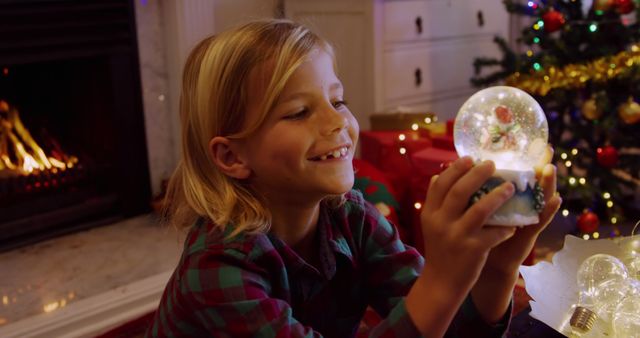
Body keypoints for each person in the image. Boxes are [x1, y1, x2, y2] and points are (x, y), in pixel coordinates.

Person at [146, 19, 562, 338]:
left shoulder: (352, 218)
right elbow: (432, 301)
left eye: (337, 100)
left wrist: (499, 267)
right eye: (298, 112)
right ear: (232, 156)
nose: (338, 122)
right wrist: (443, 278)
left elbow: (445, 326)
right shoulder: (216, 271)